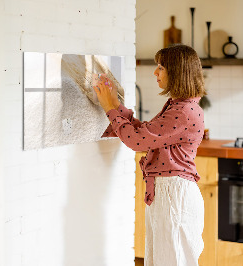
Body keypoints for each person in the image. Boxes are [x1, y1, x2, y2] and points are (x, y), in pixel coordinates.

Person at [93, 44, 206, 266]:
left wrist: (109, 107)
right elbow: (145, 133)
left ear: (177, 71)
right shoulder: (179, 106)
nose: (155, 72)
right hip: (168, 193)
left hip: (174, 195)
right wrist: (116, 105)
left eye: (161, 67)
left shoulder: (183, 111)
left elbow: (137, 141)